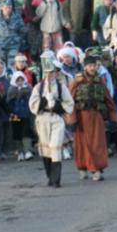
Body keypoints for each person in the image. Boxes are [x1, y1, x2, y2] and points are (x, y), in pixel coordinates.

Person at [69, 54, 117, 181]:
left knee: (97, 143)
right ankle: (83, 167)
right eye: (90, 65)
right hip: (81, 116)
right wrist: (71, 119)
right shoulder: (77, 81)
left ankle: (97, 168)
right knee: (82, 144)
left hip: (96, 116)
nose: (92, 68)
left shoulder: (100, 80)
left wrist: (113, 118)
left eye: (94, 65)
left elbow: (108, 100)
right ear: (85, 66)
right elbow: (69, 100)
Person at [29, 56, 74, 186]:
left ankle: (56, 179)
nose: (50, 75)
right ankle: (50, 176)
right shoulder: (38, 87)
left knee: (55, 147)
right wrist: (44, 101)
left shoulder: (61, 87)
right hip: (43, 118)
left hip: (56, 119)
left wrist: (57, 105)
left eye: (52, 72)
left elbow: (69, 103)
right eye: (47, 72)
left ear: (56, 72)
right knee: (46, 148)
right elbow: (33, 104)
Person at [7, 71, 34, 161]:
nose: (20, 82)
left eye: (21, 79)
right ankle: (20, 151)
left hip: (26, 114)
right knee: (17, 133)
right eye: (18, 80)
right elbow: (9, 103)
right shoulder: (11, 90)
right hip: (15, 115)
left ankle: (27, 151)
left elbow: (32, 101)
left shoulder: (29, 89)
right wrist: (10, 112)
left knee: (26, 132)